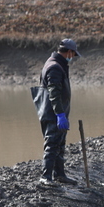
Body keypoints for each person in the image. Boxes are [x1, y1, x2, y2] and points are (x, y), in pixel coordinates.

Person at [30, 39, 81, 186]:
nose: (73, 57)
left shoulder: (57, 64)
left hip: (59, 112)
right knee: (52, 143)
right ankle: (46, 177)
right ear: (69, 52)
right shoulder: (54, 67)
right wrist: (60, 114)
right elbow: (54, 94)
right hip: (53, 113)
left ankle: (60, 174)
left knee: (60, 143)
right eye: (73, 54)